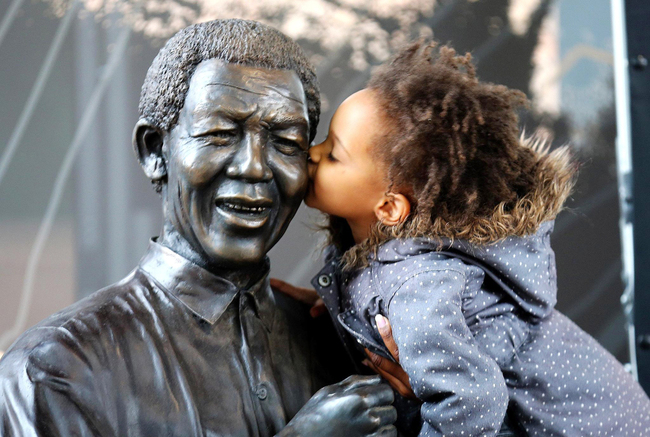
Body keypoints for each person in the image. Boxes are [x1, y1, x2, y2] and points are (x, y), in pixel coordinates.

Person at [0, 19, 399, 436]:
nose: (254, 167)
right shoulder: (53, 372)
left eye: (285, 142)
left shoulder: (350, 340)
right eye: (221, 134)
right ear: (156, 151)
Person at [273, 39, 650, 436]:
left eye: (334, 154)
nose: (313, 153)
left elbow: (471, 401)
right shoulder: (392, 262)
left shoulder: (416, 287)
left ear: (389, 208)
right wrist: (338, 304)